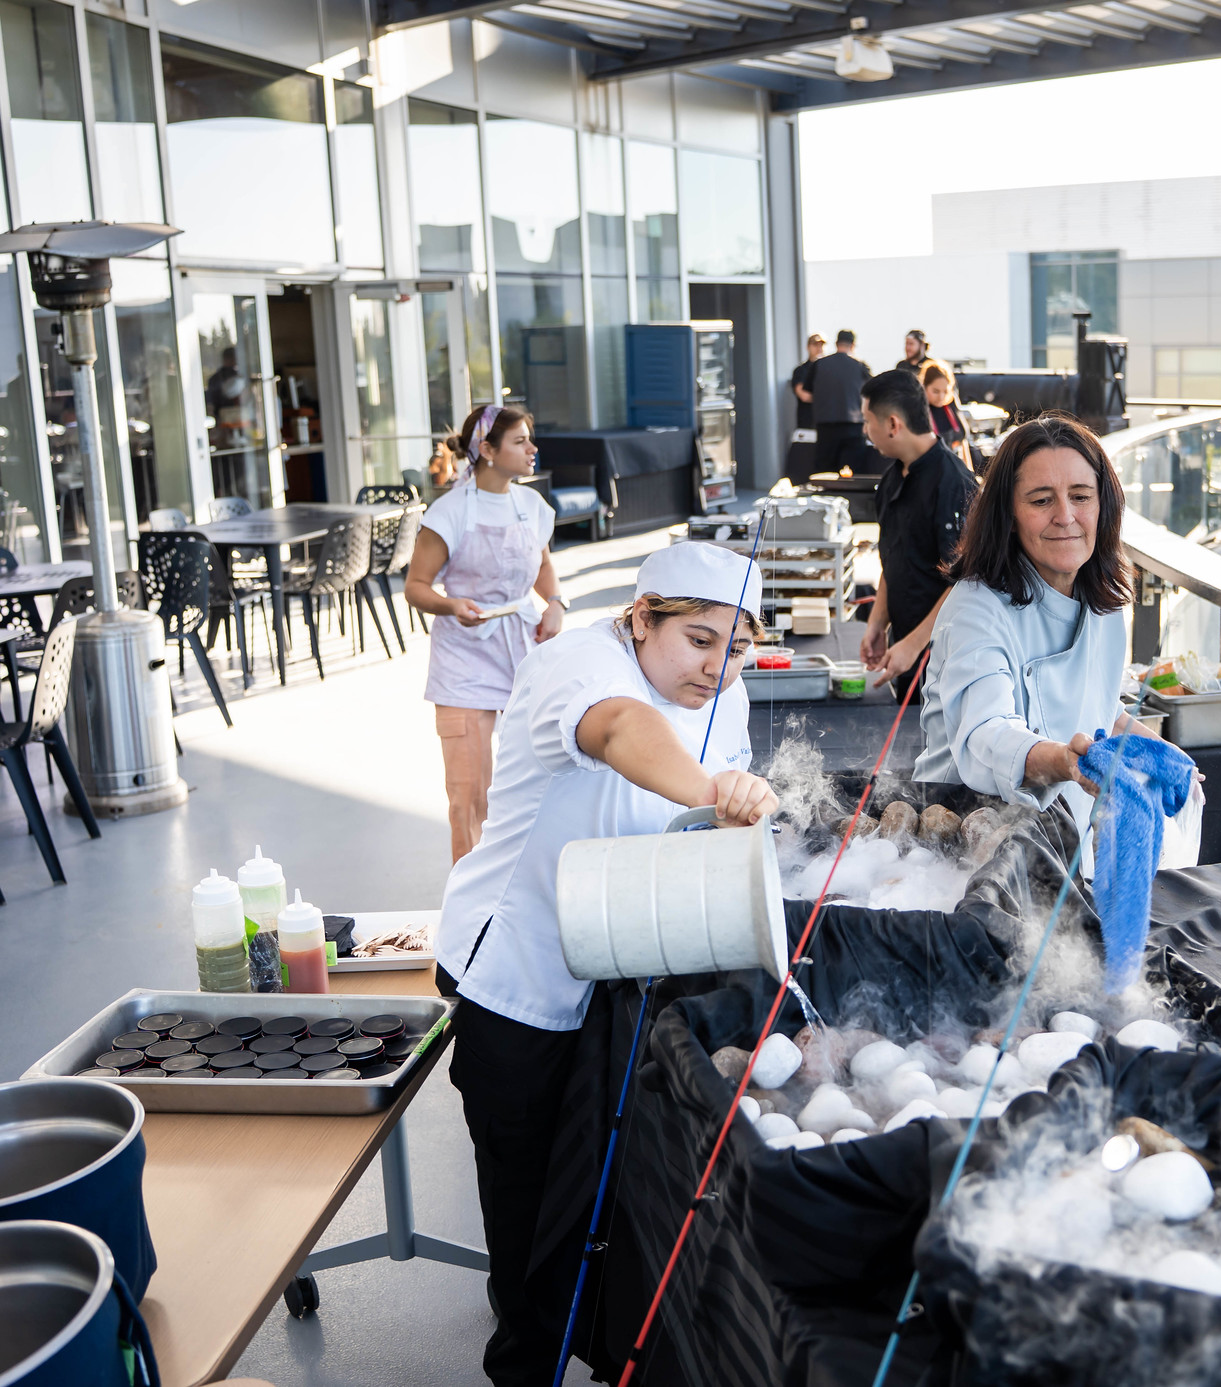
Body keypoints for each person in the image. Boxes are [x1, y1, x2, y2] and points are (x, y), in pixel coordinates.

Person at [434, 541, 775, 1387]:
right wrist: (713, 794)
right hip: (519, 971)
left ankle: (570, 1328)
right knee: (523, 1186)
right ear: (642, 616)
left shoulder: (722, 694)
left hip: (621, 963)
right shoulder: (577, 664)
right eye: (700, 639)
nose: (717, 667)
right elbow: (622, 728)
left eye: (737, 648)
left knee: (593, 1179)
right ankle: (524, 1364)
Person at [913, 412, 1151, 836]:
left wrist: (1160, 753)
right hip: (966, 830)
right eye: (1041, 501)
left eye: (1081, 496)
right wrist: (1066, 762)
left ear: (1104, 505)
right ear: (1008, 514)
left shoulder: (1103, 600)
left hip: (1060, 831)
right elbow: (988, 732)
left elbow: (1096, 704)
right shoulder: (976, 608)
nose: (1065, 516)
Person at [405, 403, 567, 862]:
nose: (532, 449)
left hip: (523, 650)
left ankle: (525, 881)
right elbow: (416, 586)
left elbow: (543, 565)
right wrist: (451, 605)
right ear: (488, 450)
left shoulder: (532, 506)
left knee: (536, 780)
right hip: (464, 659)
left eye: (530, 439)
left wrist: (555, 603)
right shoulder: (449, 512)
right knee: (470, 796)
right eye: (520, 441)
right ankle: (472, 896)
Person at [858, 370, 977, 702]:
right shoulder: (891, 479)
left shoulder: (954, 483)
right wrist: (877, 623)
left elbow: (966, 580)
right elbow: (894, 558)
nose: (865, 431)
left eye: (867, 421)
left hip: (947, 658)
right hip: (904, 648)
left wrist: (914, 645)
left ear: (893, 424)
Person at [808, 329, 873, 475]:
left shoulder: (819, 364)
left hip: (826, 426)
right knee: (853, 474)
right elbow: (873, 391)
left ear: (836, 344)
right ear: (853, 345)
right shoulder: (860, 365)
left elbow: (807, 393)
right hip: (854, 426)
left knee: (824, 474)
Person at [784, 333, 826, 480]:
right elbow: (803, 395)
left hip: (825, 425)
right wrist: (825, 398)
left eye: (821, 345)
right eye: (815, 345)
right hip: (807, 425)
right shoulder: (801, 370)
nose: (819, 348)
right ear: (808, 347)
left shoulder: (827, 369)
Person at [923, 360, 971, 467]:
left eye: (945, 391)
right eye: (935, 391)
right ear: (924, 387)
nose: (941, 397)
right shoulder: (918, 411)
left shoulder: (951, 404)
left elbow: (963, 437)